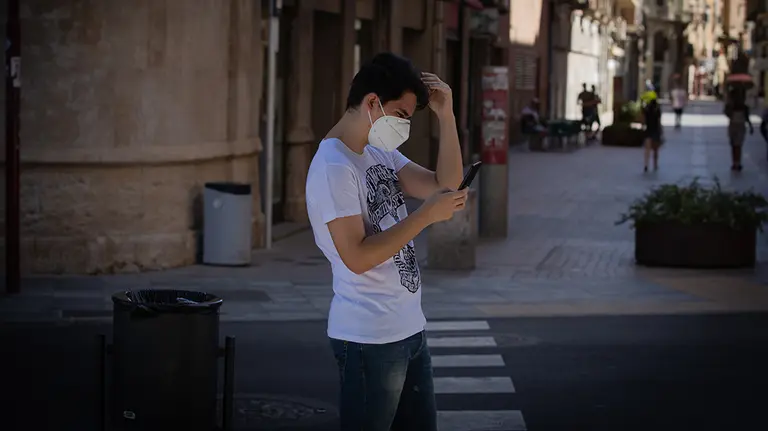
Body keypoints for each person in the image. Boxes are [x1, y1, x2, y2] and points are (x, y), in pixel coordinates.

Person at [305, 52, 466, 430]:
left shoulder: (377, 150)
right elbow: (356, 257)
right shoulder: (333, 167)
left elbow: (445, 182)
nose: (404, 126)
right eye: (402, 115)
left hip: (409, 329)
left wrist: (447, 116)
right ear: (372, 102)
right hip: (368, 339)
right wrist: (425, 215)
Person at [724, 88, 755, 171]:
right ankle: (736, 162)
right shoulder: (736, 106)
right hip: (738, 126)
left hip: (735, 126)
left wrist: (751, 126)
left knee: (736, 145)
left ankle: (736, 163)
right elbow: (727, 113)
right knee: (736, 145)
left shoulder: (742, 107)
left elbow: (747, 117)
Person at [642, 90, 663, 172]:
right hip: (656, 131)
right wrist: (661, 131)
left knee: (647, 149)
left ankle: (646, 164)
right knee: (655, 150)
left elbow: (643, 121)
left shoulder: (646, 110)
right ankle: (655, 165)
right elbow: (659, 122)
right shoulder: (657, 110)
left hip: (648, 130)